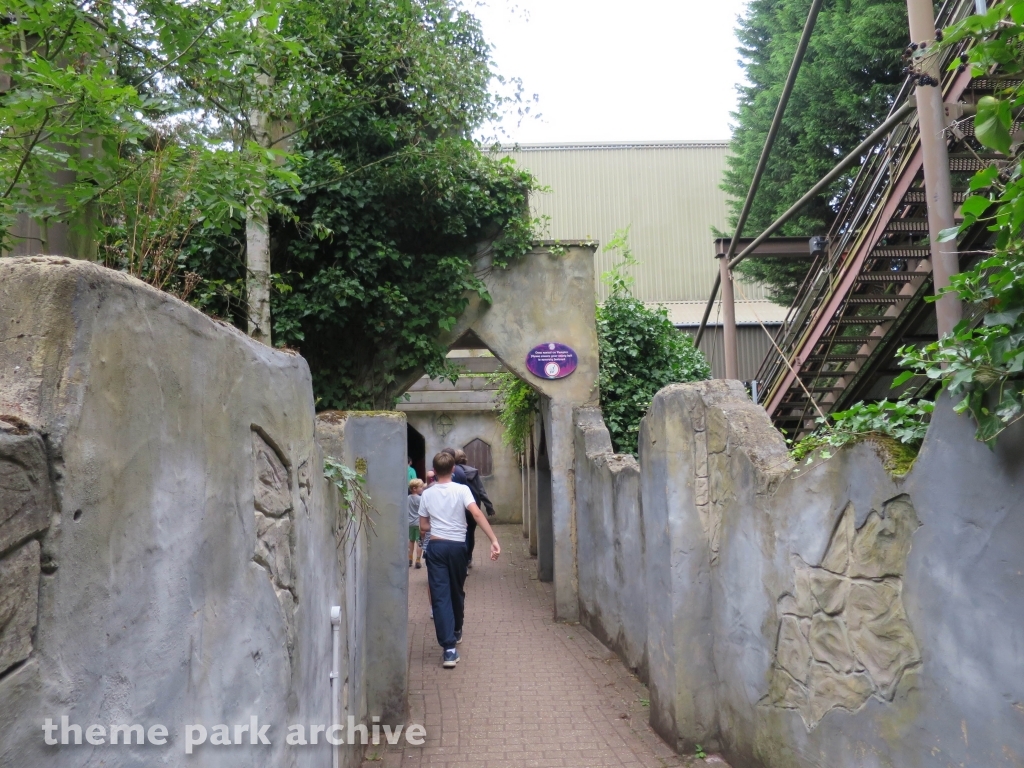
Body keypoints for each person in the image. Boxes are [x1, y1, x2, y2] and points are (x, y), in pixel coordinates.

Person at [419, 451, 500, 668]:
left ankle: (449, 649)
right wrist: (493, 539)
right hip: (457, 547)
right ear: (453, 469)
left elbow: (423, 527)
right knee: (456, 591)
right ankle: (456, 629)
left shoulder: (427, 494)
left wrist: (436, 524)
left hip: (436, 547)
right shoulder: (462, 489)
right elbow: (476, 514)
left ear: (434, 471)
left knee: (439, 595)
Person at [446, 448, 495, 568]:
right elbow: (481, 491)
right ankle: (467, 558)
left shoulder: (452, 473)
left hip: (456, 508)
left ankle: (459, 560)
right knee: (470, 534)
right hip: (472, 508)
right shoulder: (473, 472)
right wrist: (489, 507)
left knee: (457, 534)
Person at [407, 478, 425, 568]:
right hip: (418, 523)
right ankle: (418, 560)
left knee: (411, 540)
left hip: (409, 523)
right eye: (420, 487)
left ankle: (410, 559)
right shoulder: (421, 499)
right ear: (414, 488)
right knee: (420, 541)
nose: (422, 488)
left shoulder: (407, 498)